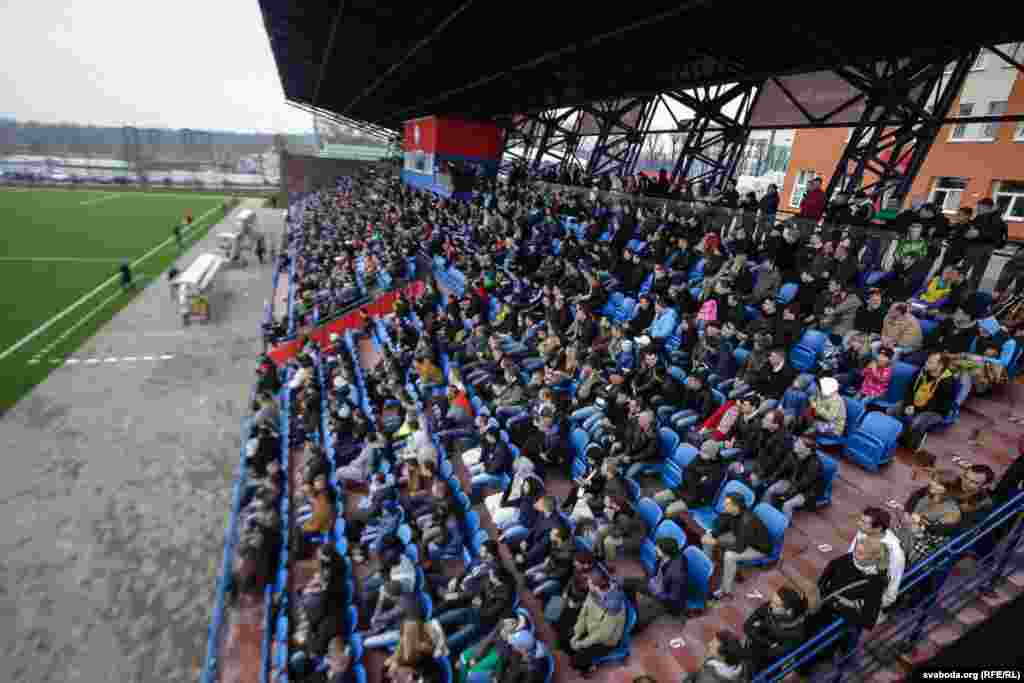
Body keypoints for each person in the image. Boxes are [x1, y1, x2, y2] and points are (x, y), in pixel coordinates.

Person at [703, 493, 774, 600]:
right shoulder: (731, 511)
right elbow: (719, 524)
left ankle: (725, 590)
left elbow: (740, 547)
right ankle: (706, 568)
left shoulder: (747, 521)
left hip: (758, 548)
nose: (723, 505)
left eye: (727, 504)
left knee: (729, 556)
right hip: (739, 536)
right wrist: (712, 535)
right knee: (708, 534)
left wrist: (716, 542)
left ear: (735, 506)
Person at [620, 537, 688, 632]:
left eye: (658, 548)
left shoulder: (677, 574)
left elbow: (674, 598)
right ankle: (631, 607)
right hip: (654, 584)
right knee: (625, 583)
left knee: (639, 622)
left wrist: (658, 594)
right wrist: (652, 580)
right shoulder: (663, 557)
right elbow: (656, 572)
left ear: (666, 552)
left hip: (664, 600)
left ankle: (634, 625)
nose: (655, 549)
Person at [568, 572, 628, 676]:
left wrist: (582, 643)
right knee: (568, 635)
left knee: (576, 660)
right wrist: (577, 632)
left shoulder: (614, 606)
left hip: (606, 641)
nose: (588, 585)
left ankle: (588, 668)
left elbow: (602, 635)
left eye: (590, 583)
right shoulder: (594, 593)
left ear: (598, 587)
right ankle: (579, 652)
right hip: (592, 629)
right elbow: (584, 613)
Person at [848, 507, 905, 614]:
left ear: (878, 528)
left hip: (867, 597)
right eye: (860, 520)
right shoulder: (864, 532)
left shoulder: (895, 553)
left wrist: (866, 606)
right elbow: (849, 557)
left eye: (864, 522)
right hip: (852, 582)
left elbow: (890, 592)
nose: (858, 523)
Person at [743, 587, 808, 674]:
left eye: (776, 604)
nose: (770, 605)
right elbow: (747, 626)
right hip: (754, 651)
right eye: (772, 601)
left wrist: (758, 629)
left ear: (789, 611)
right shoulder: (770, 608)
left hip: (768, 665)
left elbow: (771, 653)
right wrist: (769, 643)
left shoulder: (796, 633)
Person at [682, 631, 748, 683]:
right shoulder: (740, 664)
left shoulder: (708, 679)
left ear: (722, 656)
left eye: (713, 645)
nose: (709, 644)